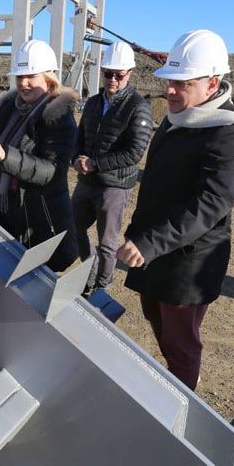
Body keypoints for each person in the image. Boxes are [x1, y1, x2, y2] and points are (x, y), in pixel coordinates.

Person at [116, 30, 234, 391]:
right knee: (154, 315)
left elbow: (209, 206)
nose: (170, 91)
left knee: (180, 339)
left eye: (182, 84)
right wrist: (140, 234)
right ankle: (178, 375)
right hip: (156, 246)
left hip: (189, 258)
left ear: (212, 82)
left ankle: (183, 401)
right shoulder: (177, 119)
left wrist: (149, 242)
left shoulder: (228, 134)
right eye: (170, 82)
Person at [0, 40, 79, 272]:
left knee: (33, 277)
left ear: (48, 78)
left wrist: (7, 156)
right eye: (19, 76)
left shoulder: (58, 117)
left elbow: (51, 171)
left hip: (36, 217)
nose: (23, 83)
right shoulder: (9, 111)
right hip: (4, 210)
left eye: (31, 76)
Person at [71, 41, 152, 294]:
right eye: (108, 74)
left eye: (119, 75)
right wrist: (76, 159)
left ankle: (102, 288)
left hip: (114, 186)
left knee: (107, 242)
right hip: (87, 181)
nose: (113, 80)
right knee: (72, 226)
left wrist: (96, 164)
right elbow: (79, 136)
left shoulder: (138, 107)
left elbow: (134, 152)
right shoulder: (94, 103)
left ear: (130, 73)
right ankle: (90, 273)